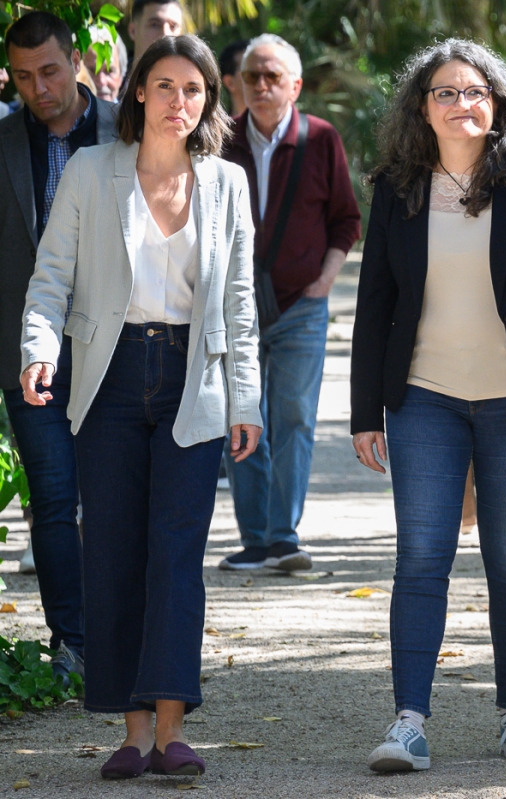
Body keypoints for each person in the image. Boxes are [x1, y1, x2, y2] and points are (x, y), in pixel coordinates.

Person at [20, 33, 261, 779]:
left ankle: (172, 727)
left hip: (194, 375)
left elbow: (242, 302)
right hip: (109, 373)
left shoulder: (225, 183)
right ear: (139, 93)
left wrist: (247, 397)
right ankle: (130, 734)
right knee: (115, 547)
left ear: (207, 102)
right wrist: (40, 348)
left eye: (193, 90)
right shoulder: (94, 170)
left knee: (177, 552)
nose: (178, 101)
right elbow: (51, 275)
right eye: (164, 86)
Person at [350, 38, 506, 773]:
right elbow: (375, 305)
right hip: (424, 398)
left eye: (475, 91)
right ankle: (409, 724)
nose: (462, 103)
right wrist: (365, 413)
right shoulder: (396, 189)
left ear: (500, 105)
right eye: (446, 92)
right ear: (421, 108)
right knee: (421, 558)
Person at [0, 10, 121, 688]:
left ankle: (121, 633)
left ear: (75, 60)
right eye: (22, 76)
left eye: (49, 70)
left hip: (115, 346)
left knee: (115, 495)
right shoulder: (2, 142)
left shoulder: (122, 134)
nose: (38, 88)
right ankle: (71, 642)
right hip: (26, 351)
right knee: (51, 497)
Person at [219, 33, 361, 572]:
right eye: (252, 75)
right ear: (237, 82)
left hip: (301, 304)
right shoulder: (221, 140)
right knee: (242, 415)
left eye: (272, 76)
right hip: (237, 306)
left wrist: (324, 281)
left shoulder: (321, 139)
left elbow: (346, 220)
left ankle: (284, 536)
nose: (260, 85)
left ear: (294, 85)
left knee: (296, 416)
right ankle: (254, 539)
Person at [120, 0, 184, 96]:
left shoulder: (194, 92)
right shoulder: (104, 82)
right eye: (155, 25)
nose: (165, 34)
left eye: (173, 26)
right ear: (133, 31)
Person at [83, 28, 127, 102]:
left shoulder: (131, 113)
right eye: (93, 71)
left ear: (120, 77)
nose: (101, 82)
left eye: (109, 71)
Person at [218, 39, 248, 116]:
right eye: (248, 69)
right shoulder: (216, 128)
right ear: (230, 83)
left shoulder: (280, 125)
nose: (260, 78)